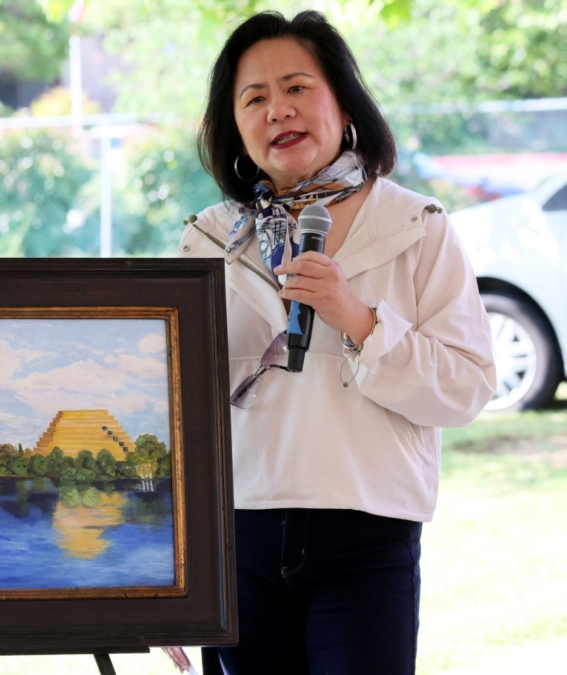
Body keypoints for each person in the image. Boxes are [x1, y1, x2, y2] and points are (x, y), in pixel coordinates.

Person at [179, 10, 496, 675]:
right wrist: (171, 568)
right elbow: (172, 409)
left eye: (297, 87)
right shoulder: (208, 239)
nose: (277, 110)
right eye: (254, 98)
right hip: (234, 540)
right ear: (234, 127)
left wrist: (360, 320)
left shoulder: (416, 225)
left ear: (344, 105)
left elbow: (467, 387)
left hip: (366, 537)